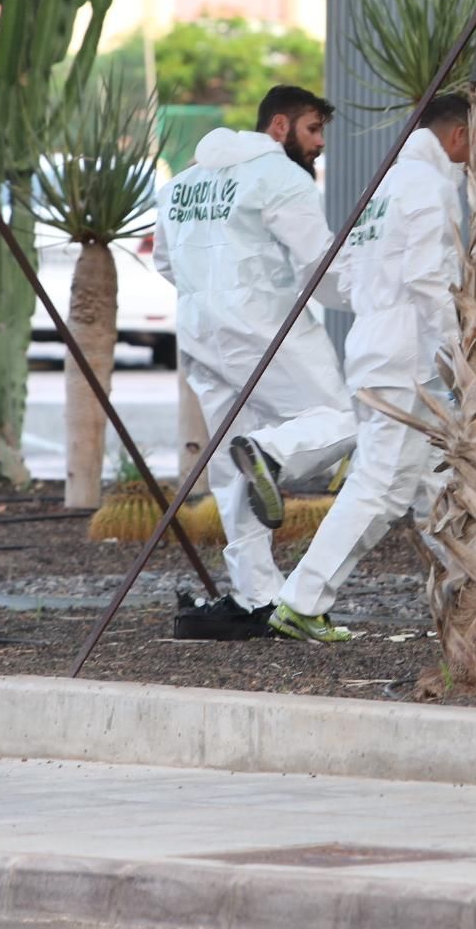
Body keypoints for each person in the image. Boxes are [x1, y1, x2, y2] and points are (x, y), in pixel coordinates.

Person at [152, 85, 355, 637]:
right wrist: (375, 292)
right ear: (280, 127)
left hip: (200, 337)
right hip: (268, 327)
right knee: (343, 423)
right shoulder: (282, 177)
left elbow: (166, 263)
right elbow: (321, 267)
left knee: (228, 469)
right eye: (313, 130)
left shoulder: (182, 185)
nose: (318, 145)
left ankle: (256, 598)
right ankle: (270, 452)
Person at [270, 96, 470, 643]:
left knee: (437, 482)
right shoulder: (429, 188)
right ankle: (301, 601)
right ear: (457, 137)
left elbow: (349, 274)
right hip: (409, 359)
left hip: (378, 348)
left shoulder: (384, 184)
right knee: (380, 487)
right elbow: (431, 278)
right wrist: (460, 353)